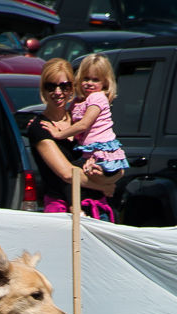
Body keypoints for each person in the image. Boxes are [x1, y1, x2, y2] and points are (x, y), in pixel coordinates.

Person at [27, 58, 116, 220]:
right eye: (51, 86)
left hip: (96, 209)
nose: (58, 92)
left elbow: (108, 154)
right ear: (43, 89)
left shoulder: (81, 121)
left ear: (72, 88)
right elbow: (67, 174)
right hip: (62, 213)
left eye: (64, 86)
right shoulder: (39, 128)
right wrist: (104, 185)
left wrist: (111, 178)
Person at [42, 53, 127, 184]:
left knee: (74, 174)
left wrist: (58, 134)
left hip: (101, 153)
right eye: (86, 79)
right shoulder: (78, 100)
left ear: (105, 82)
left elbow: (83, 125)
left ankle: (105, 188)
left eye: (95, 80)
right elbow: (67, 118)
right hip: (89, 152)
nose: (89, 84)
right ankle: (105, 189)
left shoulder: (97, 98)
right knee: (81, 176)